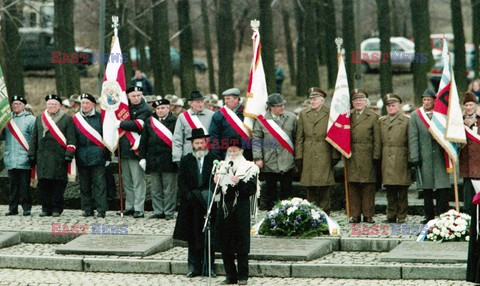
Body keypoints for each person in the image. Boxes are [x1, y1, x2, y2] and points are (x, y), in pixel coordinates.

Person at [215, 139, 259, 285]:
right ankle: (230, 275)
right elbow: (216, 190)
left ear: (241, 152)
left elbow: (251, 189)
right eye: (230, 151)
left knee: (241, 242)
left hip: (241, 207)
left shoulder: (250, 167)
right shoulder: (222, 166)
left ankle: (242, 276)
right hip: (225, 208)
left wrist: (238, 182)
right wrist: (216, 180)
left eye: (235, 151)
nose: (233, 154)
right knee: (225, 242)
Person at [173, 128, 216, 278]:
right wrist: (189, 195)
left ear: (206, 143)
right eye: (196, 143)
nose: (199, 146)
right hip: (191, 203)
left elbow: (216, 181)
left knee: (208, 236)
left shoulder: (213, 159)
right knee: (192, 237)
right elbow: (181, 181)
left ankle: (209, 267)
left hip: (206, 203)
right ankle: (193, 267)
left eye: (201, 142)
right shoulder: (186, 160)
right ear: (192, 144)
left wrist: (207, 195)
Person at [29, 94, 77, 217]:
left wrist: (69, 154)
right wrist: (32, 154)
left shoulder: (67, 119)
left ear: (59, 106)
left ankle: (56, 208)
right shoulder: (40, 118)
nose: (51, 106)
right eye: (49, 104)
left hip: (59, 157)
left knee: (57, 184)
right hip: (43, 157)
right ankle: (45, 208)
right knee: (44, 184)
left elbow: (72, 138)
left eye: (54, 104)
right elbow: (34, 138)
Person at [409, 89, 451, 224]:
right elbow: (413, 137)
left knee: (442, 187)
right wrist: (414, 156)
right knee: (427, 188)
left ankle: (443, 214)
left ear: (434, 100)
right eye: (424, 99)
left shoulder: (442, 114)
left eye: (429, 99)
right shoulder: (416, 115)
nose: (426, 102)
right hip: (424, 157)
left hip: (440, 156)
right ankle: (429, 216)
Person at [295, 87, 339, 214]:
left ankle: (325, 213)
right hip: (308, 153)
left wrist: (335, 155)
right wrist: (299, 156)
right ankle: (311, 214)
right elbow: (299, 137)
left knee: (325, 186)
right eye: (311, 99)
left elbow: (335, 136)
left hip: (324, 152)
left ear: (322, 101)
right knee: (310, 186)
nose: (312, 102)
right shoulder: (303, 114)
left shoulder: (330, 113)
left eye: (314, 99)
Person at [253, 93, 297, 210]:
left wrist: (297, 158)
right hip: (269, 162)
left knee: (287, 192)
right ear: (271, 107)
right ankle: (271, 217)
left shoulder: (292, 118)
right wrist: (258, 158)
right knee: (270, 192)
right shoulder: (261, 120)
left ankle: (288, 215)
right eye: (279, 105)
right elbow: (257, 140)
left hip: (287, 161)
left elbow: (297, 139)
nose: (282, 107)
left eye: (283, 105)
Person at [138, 99, 178, 220]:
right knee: (156, 189)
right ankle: (158, 211)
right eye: (158, 109)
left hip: (169, 160)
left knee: (169, 189)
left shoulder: (175, 121)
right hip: (153, 160)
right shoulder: (150, 122)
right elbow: (143, 141)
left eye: (163, 108)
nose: (160, 111)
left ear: (168, 108)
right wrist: (142, 158)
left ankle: (169, 212)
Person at [347, 88, 381, 223]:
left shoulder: (373, 117)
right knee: (353, 185)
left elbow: (377, 139)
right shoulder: (348, 117)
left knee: (368, 185)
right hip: (351, 153)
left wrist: (376, 156)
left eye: (360, 100)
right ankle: (355, 214)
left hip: (367, 153)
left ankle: (368, 214)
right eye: (355, 100)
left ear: (366, 102)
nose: (358, 102)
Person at [73, 93, 108, 218]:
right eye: (83, 103)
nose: (85, 105)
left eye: (88, 103)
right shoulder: (75, 119)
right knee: (84, 185)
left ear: (93, 104)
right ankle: (87, 209)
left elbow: (107, 137)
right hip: (81, 156)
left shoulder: (101, 118)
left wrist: (107, 156)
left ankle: (101, 209)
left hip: (98, 156)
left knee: (99, 185)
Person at [118, 86, 151, 218]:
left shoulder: (146, 109)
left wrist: (119, 123)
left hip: (137, 149)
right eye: (134, 96)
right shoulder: (124, 107)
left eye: (139, 95)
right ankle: (129, 206)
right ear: (128, 97)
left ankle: (139, 208)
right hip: (123, 149)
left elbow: (138, 125)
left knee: (138, 181)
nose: (137, 98)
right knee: (127, 181)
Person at [0, 95, 35, 216]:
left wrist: (32, 155)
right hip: (11, 157)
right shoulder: (7, 119)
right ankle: (12, 208)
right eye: (14, 104)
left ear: (24, 105)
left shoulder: (31, 119)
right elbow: (2, 137)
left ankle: (26, 208)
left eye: (18, 104)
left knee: (25, 186)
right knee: (12, 186)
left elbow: (34, 139)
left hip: (24, 157)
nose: (16, 106)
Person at [379, 93, 410, 223]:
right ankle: (391, 215)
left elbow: (410, 141)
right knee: (390, 189)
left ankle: (402, 215)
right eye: (388, 106)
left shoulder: (406, 121)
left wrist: (410, 159)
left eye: (393, 105)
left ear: (399, 106)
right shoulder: (381, 121)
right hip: (386, 157)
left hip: (401, 157)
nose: (391, 108)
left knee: (402, 189)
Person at [209, 88, 253, 161]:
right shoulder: (219, 115)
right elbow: (214, 137)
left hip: (246, 154)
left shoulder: (247, 113)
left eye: (228, 99)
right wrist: (217, 156)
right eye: (225, 99)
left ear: (236, 99)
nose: (225, 101)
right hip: (225, 154)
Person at [172, 90, 214, 166]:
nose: (201, 104)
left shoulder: (211, 115)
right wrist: (177, 157)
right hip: (189, 156)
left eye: (202, 102)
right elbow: (177, 139)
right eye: (198, 102)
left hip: (208, 155)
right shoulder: (183, 117)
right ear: (190, 103)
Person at [460, 92, 480, 216]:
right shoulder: (459, 122)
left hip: (478, 162)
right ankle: (468, 218)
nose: (468, 107)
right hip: (466, 162)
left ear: (476, 105)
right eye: (466, 105)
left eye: (471, 104)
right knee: (468, 196)